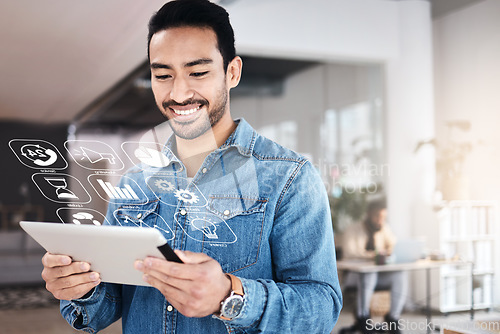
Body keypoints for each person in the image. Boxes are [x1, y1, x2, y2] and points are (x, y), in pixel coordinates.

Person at [40, 0, 342, 333]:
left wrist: (230, 296)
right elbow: (105, 308)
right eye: (163, 75)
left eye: (197, 72)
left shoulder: (290, 177)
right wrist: (81, 287)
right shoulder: (134, 183)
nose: (178, 92)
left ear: (232, 72)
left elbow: (322, 308)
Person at [342, 198, 407, 334]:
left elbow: (394, 245)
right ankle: (362, 317)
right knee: (368, 273)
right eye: (377, 216)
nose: (380, 220)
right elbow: (350, 252)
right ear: (369, 214)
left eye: (383, 217)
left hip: (377, 276)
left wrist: (390, 251)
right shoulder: (353, 229)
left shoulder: (384, 228)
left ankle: (393, 317)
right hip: (353, 275)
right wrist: (373, 254)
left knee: (399, 275)